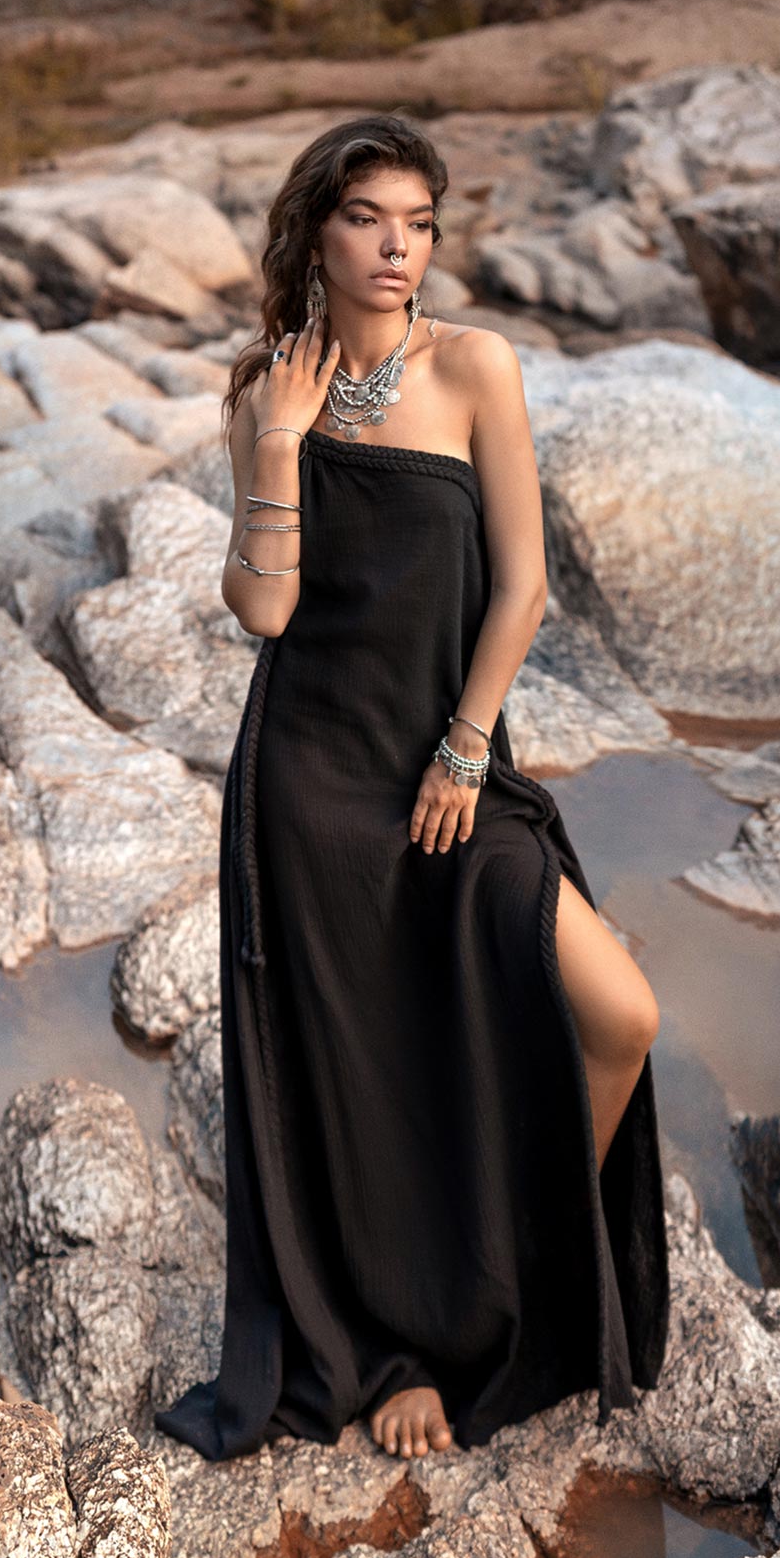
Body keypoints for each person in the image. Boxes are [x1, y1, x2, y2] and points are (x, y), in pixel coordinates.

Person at [153, 112, 669, 1464]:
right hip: (310, 788)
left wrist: (466, 745)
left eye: (419, 223)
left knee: (617, 1011)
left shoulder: (475, 366)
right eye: (368, 218)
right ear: (314, 233)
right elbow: (264, 612)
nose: (398, 247)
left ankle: (510, 1287)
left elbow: (523, 585)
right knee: (367, 1080)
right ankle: (405, 1351)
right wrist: (280, 445)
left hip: (449, 769)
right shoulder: (263, 394)